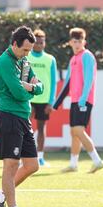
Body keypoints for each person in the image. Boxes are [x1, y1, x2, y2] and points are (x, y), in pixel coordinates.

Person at [0, 26, 43, 207]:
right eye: (25, 50)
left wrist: (33, 87)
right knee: (10, 166)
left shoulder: (24, 60)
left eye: (29, 50)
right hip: (9, 117)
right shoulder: (4, 62)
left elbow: (40, 85)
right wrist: (32, 89)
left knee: (32, 165)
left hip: (23, 118)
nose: (27, 54)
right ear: (14, 44)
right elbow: (19, 93)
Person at [53, 27, 103, 173]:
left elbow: (89, 80)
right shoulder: (73, 59)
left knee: (78, 130)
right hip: (75, 101)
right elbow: (67, 84)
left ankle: (97, 160)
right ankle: (73, 164)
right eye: (74, 41)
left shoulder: (87, 56)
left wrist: (83, 99)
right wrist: (56, 104)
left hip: (84, 100)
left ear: (84, 42)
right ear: (70, 42)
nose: (77, 44)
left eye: (79, 41)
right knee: (74, 132)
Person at [27, 29, 57, 167]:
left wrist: (51, 102)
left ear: (45, 43)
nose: (39, 45)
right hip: (29, 98)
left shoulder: (50, 59)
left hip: (44, 100)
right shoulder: (27, 57)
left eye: (41, 42)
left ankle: (40, 157)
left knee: (41, 128)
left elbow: (53, 81)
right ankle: (25, 155)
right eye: (37, 42)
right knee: (26, 127)